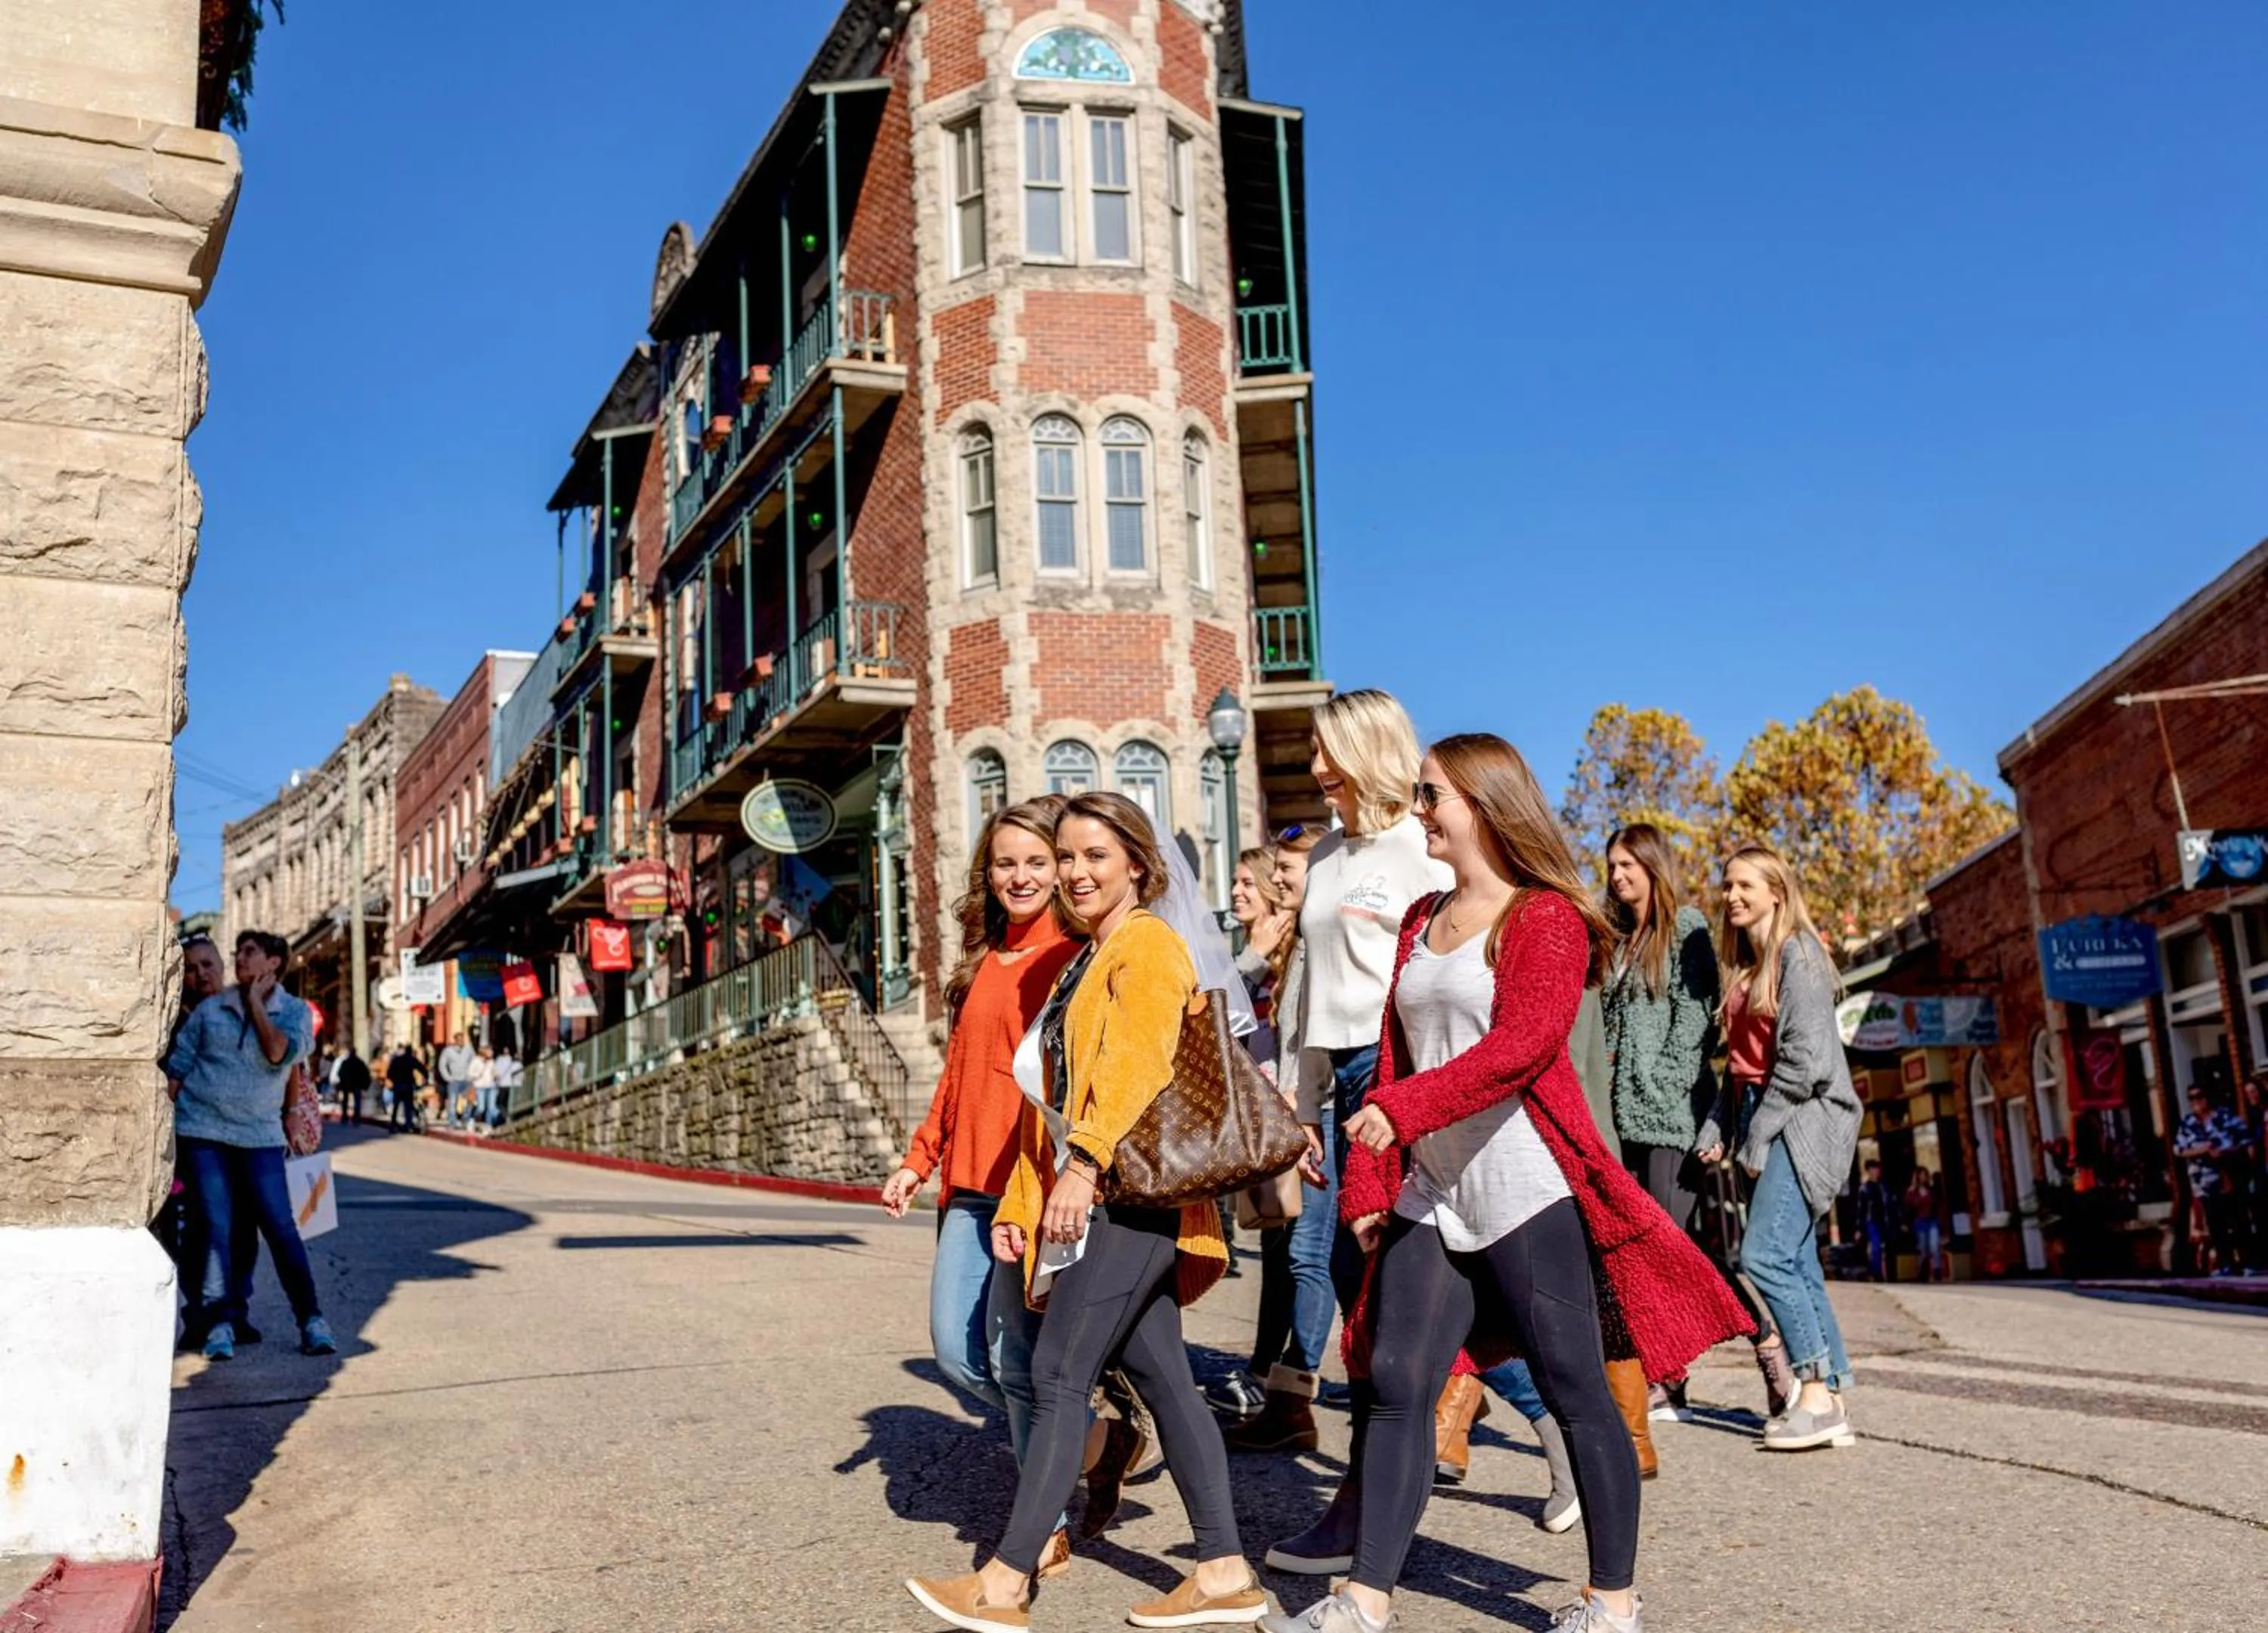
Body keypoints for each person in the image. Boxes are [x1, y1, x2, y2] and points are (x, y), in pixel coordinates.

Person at [1263, 736, 1751, 1633]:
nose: (1421, 811)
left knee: (1574, 1388)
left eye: (1433, 795)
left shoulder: (1547, 920)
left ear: (1485, 804)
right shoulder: (1420, 917)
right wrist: (1373, 1185)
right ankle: (1363, 1601)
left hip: (1524, 1182)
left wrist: (1403, 1114)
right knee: (1397, 1383)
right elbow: (1392, 1057)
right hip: (1433, 1188)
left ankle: (1612, 1603)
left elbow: (1522, 1048)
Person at [904, 792, 1268, 1633]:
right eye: (1065, 856)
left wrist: (1083, 1167)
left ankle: (1004, 1582)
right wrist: (1027, 1197)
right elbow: (1049, 1099)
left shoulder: (1144, 945)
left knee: (1057, 1375)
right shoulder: (1091, 956)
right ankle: (1222, 1570)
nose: (1073, 872)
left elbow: (1134, 1072)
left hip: (1126, 1197)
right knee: (1165, 1383)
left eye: (1094, 856)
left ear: (1138, 863)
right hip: (1100, 1190)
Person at [1256, 693, 1453, 1507]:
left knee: (1404, 1268)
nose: (1314, 771)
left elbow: (1443, 979)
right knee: (1343, 1267)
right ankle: (1379, 1464)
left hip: (1395, 1070)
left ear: (1367, 753)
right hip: (1335, 1074)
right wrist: (1304, 1105)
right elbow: (1309, 992)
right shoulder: (1329, 855)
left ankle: (1549, 1426)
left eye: (1327, 755)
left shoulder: (1422, 851)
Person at [881, 798, 1083, 1577]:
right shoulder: (983, 958)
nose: (1021, 876)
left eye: (1037, 861)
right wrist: (917, 1158)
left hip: (1030, 1189)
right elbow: (960, 1079)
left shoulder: (1072, 956)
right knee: (959, 1356)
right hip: (968, 1186)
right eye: (1006, 863)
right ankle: (1086, 1440)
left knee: (1015, 1361)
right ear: (987, 873)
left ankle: (1050, 1519)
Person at [1696, 842, 1863, 1452]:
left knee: (1763, 1256)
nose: (1731, 895)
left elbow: (1804, 1064)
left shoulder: (1800, 956)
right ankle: (1834, 1393)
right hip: (1764, 1112)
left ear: (1776, 891)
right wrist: (1720, 1127)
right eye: (1727, 885)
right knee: (1798, 1261)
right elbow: (1741, 1066)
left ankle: (1814, 1396)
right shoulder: (1748, 966)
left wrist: (1757, 1136)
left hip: (1804, 1121)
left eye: (1744, 885)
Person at [164, 930, 336, 1361]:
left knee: (280, 1228)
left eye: (249, 952)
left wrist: (257, 1003)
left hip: (260, 1137)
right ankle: (219, 1323)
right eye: (237, 951)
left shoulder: (294, 1012)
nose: (240, 958)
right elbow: (178, 1070)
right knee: (214, 1227)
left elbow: (280, 1054)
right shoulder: (209, 1012)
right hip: (203, 1133)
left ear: (274, 963)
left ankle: (311, 1318)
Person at [1216, 835, 1329, 1430]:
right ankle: (1268, 1373)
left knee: (1305, 1255)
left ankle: (1288, 1389)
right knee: (1279, 1248)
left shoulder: (1301, 949)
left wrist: (1294, 1098)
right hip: (1267, 1120)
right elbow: (1222, 1022)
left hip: (1301, 1112)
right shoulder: (1258, 954)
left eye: (1247, 882)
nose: (1237, 891)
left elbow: (1287, 1038)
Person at [2175, 1084, 2251, 1276]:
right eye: (2191, 1098)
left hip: (2228, 1177)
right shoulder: (2187, 1123)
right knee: (2216, 1225)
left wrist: (2224, 1152)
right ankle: (2225, 1263)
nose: (2196, 1102)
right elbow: (2180, 1150)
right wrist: (2204, 1150)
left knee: (2239, 1221)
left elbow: (2245, 1141)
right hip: (2204, 1183)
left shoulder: (2226, 1117)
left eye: (2199, 1096)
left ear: (2208, 1097)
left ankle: (2248, 1261)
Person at [1855, 1160, 1897, 1283]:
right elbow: (1861, 1209)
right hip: (1872, 1220)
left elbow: (1891, 1204)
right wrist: (1859, 1228)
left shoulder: (1884, 1187)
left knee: (1890, 1247)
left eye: (1877, 1169)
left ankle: (1891, 1275)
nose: (1876, 1172)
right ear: (1868, 1171)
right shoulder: (1865, 1189)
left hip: (1886, 1220)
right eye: (1873, 1169)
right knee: (1876, 1247)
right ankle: (1877, 1273)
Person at [1904, 1168, 1943, 1282]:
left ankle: (1937, 1269)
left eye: (1925, 1175)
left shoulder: (1931, 1190)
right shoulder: (1911, 1192)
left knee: (1934, 1245)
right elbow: (1909, 1208)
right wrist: (1907, 1223)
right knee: (1923, 1248)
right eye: (1921, 1175)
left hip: (1932, 1220)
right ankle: (1923, 1271)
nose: (1923, 1178)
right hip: (1920, 1221)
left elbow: (1937, 1204)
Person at [438, 1030, 476, 1130]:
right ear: (455, 1040)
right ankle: (452, 1122)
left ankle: (465, 1119)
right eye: (458, 1039)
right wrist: (448, 1078)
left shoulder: (469, 1050)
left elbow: (474, 1062)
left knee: (471, 1100)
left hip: (467, 1080)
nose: (460, 1041)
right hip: (454, 1080)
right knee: (453, 1102)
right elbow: (442, 1065)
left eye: (462, 1039)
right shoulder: (448, 1051)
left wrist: (472, 1075)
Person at [385, 1043, 426, 1132]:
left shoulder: (397, 1059)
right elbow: (421, 1068)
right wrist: (426, 1077)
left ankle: (393, 1125)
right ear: (411, 1051)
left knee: (396, 1106)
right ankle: (408, 1124)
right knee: (408, 1106)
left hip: (398, 1085)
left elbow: (389, 1072)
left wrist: (394, 1080)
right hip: (407, 1085)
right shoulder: (411, 1059)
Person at [334, 1045, 371, 1127]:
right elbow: (365, 1073)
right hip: (356, 1084)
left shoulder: (346, 1062)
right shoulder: (359, 1062)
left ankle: (345, 1117)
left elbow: (340, 1073)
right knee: (357, 1102)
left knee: (346, 1101)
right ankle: (356, 1119)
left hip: (347, 1084)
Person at [467, 1044, 499, 1135]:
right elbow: (470, 1074)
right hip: (480, 1086)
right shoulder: (476, 1061)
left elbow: (495, 1071)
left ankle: (488, 1126)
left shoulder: (492, 1062)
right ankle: (472, 1119)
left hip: (491, 1086)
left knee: (491, 1108)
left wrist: (496, 1075)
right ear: (484, 1052)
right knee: (481, 1108)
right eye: (490, 1051)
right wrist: (477, 1075)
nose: (492, 1053)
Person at [490, 1046, 522, 1127]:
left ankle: (505, 1117)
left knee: (500, 1103)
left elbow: (496, 1071)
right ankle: (507, 1117)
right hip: (509, 1085)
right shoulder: (513, 1062)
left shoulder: (499, 1060)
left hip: (503, 1084)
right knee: (506, 1103)